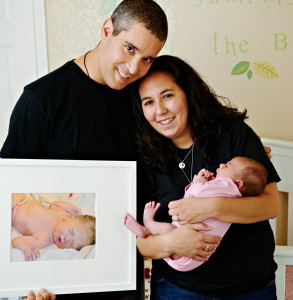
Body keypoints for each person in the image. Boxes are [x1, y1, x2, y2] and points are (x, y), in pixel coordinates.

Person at [1, 1, 168, 299]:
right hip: (57, 285)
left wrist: (232, 151)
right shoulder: (41, 100)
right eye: (129, 48)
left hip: (122, 278)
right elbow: (8, 192)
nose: (134, 68)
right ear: (107, 30)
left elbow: (181, 141)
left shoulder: (145, 99)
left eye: (147, 59)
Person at [131, 55, 280, 299]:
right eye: (148, 102)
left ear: (188, 93)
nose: (160, 110)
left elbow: (271, 205)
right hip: (178, 290)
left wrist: (209, 207)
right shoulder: (143, 157)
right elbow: (135, 242)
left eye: (167, 95)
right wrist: (171, 243)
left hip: (251, 288)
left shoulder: (232, 133)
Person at [124, 156, 268, 272]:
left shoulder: (227, 185)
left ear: (238, 183)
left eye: (228, 166)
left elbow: (196, 193)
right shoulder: (233, 194)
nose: (222, 164)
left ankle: (148, 225)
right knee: (170, 232)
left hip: (188, 255)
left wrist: (198, 182)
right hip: (192, 257)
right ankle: (147, 230)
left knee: (169, 230)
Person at [12, 193, 95, 261]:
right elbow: (54, 204)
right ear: (70, 218)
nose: (67, 238)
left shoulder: (45, 239)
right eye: (71, 231)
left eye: (71, 243)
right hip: (21, 199)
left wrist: (26, 248)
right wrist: (69, 207)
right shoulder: (62, 213)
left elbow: (17, 240)